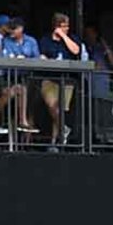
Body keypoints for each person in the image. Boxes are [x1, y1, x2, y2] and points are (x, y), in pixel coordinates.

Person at [38, 12, 85, 147]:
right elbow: (41, 57)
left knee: (60, 110)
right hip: (49, 79)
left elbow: (76, 51)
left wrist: (64, 36)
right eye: (63, 26)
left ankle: (55, 143)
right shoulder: (46, 40)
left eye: (67, 26)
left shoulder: (71, 38)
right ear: (56, 26)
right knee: (52, 107)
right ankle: (63, 129)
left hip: (67, 80)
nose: (67, 29)